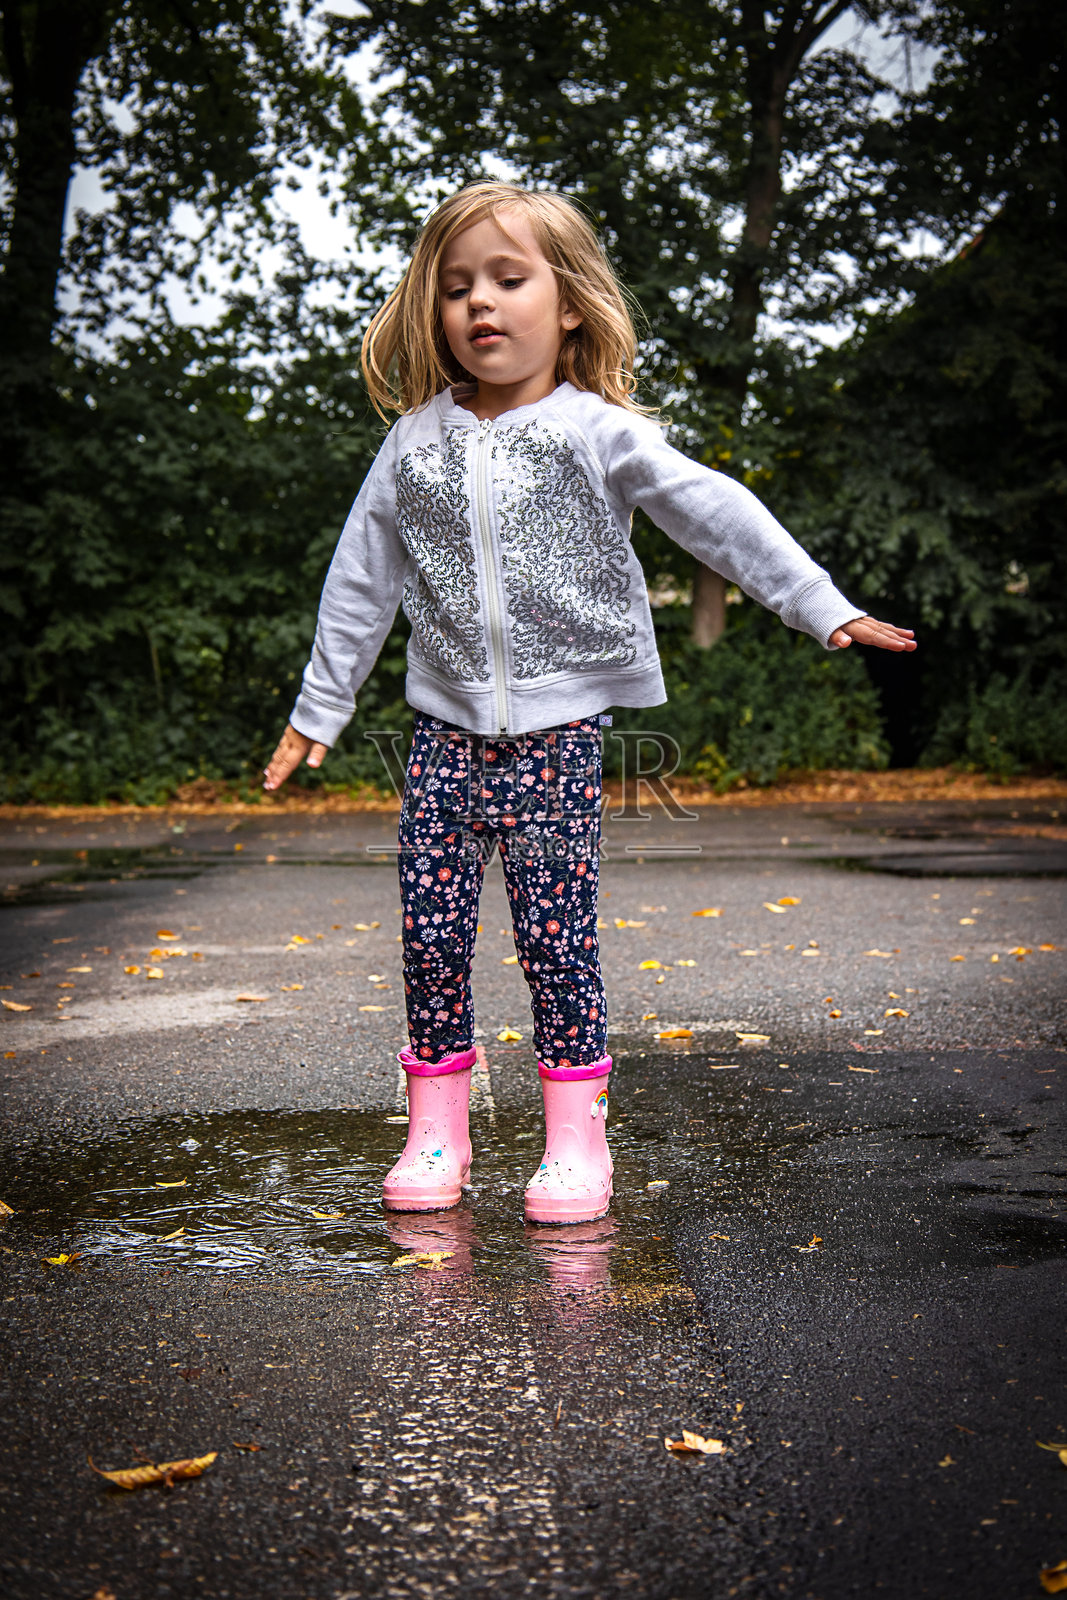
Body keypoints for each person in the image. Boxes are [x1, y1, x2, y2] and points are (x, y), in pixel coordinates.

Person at [262, 181, 916, 1225]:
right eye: (456, 286)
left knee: (553, 936)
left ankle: (575, 1143)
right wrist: (317, 710)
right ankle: (436, 1130)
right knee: (429, 936)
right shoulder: (413, 444)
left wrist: (816, 605)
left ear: (566, 303)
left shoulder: (592, 430)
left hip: (559, 734)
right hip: (440, 733)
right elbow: (358, 584)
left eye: (507, 279)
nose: (479, 303)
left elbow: (713, 511)